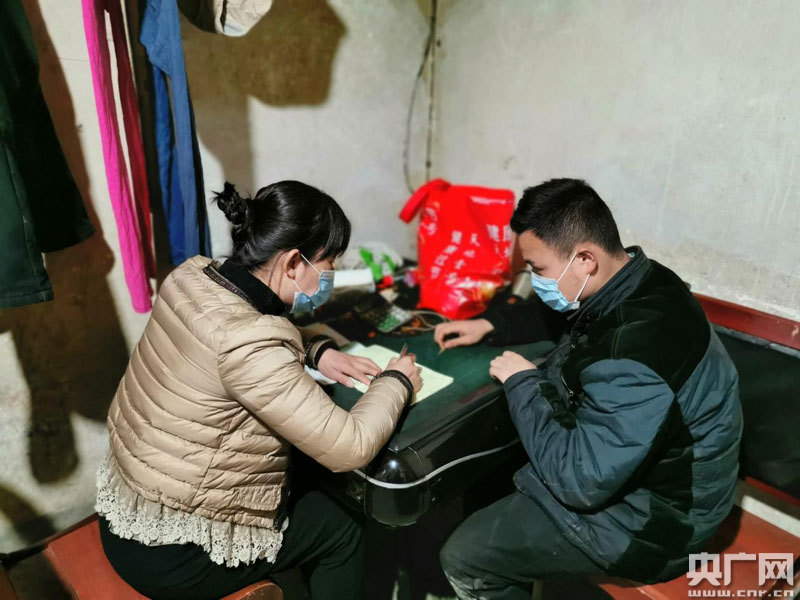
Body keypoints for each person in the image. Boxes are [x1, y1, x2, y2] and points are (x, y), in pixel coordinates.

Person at [96, 180, 422, 600]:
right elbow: (350, 447)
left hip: (132, 507)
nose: (332, 274)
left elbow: (234, 330)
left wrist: (315, 351)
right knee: (343, 526)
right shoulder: (250, 346)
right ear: (293, 263)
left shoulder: (190, 279)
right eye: (329, 262)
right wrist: (397, 381)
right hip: (174, 554)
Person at [434, 179, 742, 598]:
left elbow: (580, 481)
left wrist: (524, 383)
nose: (535, 280)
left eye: (538, 269)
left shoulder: (634, 357)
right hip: (652, 480)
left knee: (465, 556)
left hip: (659, 526)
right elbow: (568, 315)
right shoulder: (640, 281)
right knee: (486, 482)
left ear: (584, 259)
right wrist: (491, 324)